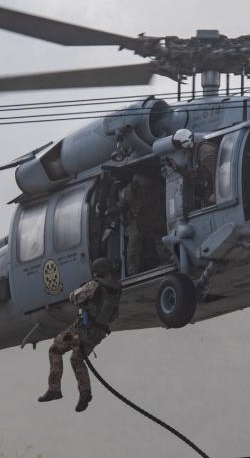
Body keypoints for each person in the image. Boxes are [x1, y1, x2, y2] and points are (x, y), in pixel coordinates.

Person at [39, 257, 122, 412]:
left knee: (55, 349)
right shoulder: (116, 290)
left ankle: (54, 389)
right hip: (98, 333)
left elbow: (74, 297)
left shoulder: (94, 285)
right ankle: (85, 392)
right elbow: (113, 316)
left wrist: (82, 291)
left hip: (81, 331)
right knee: (77, 359)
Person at [112, 173, 163, 275]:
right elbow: (120, 206)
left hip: (153, 218)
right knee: (133, 247)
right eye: (142, 186)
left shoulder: (154, 189)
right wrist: (109, 211)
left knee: (160, 241)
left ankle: (167, 261)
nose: (144, 189)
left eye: (145, 186)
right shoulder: (127, 192)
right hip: (137, 221)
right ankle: (133, 272)